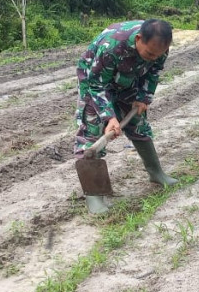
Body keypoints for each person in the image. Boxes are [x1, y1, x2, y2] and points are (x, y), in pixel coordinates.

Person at [74, 19, 179, 210]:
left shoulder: (158, 48)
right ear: (138, 39)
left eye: (158, 54)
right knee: (92, 130)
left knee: (138, 122)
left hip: (129, 77)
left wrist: (143, 97)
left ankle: (156, 173)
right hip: (95, 79)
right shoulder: (112, 47)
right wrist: (110, 118)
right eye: (150, 54)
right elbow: (97, 85)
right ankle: (94, 196)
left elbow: (153, 72)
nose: (154, 58)